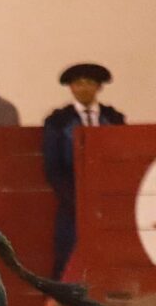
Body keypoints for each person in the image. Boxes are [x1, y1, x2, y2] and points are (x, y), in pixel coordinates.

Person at [42, 63, 125, 280]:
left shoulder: (114, 119)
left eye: (89, 83)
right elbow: (53, 167)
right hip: (71, 201)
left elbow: (120, 162)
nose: (84, 88)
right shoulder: (58, 122)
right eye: (78, 83)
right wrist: (74, 200)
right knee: (68, 253)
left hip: (107, 199)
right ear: (71, 87)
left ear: (99, 87)